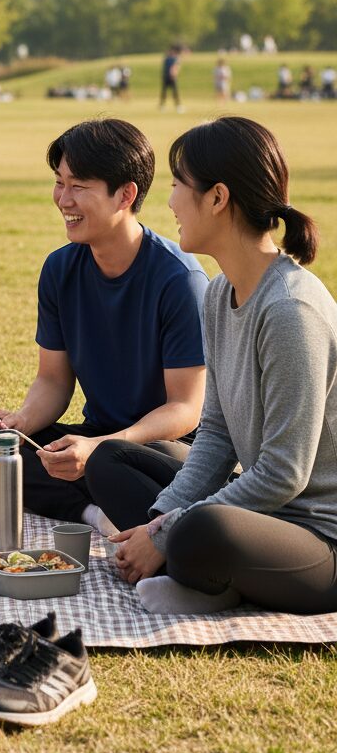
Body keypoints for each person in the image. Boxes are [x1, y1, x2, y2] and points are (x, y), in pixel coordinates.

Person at [87, 116, 337, 616]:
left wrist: (170, 530)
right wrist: (159, 520)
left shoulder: (290, 309)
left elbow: (285, 475)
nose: (171, 200)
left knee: (202, 529)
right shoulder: (220, 294)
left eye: (179, 185)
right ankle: (190, 564)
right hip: (262, 512)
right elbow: (218, 434)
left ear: (218, 198)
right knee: (111, 459)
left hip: (317, 538)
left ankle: (202, 571)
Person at [0, 119, 208, 531]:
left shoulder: (179, 280)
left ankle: (22, 489)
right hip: (94, 439)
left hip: (160, 450)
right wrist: (19, 423)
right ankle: (89, 511)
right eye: (59, 182)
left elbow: (186, 409)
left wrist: (102, 446)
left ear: (126, 195)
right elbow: (53, 382)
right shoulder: (60, 268)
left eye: (79, 186)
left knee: (107, 465)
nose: (64, 199)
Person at [158, 44, 183, 112]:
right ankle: (162, 106)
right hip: (167, 78)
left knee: (175, 93)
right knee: (164, 93)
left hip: (172, 78)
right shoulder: (168, 58)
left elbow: (176, 68)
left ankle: (178, 106)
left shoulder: (174, 58)